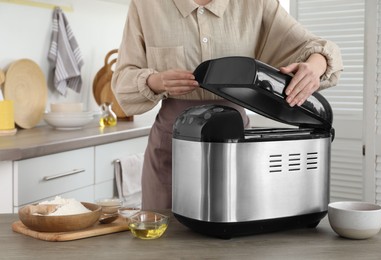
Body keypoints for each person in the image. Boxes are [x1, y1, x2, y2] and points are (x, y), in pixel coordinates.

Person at [111, 0, 343, 210]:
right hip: (171, 146)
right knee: (165, 246)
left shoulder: (257, 4)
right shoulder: (145, 5)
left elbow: (315, 46)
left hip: (236, 145)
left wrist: (315, 65)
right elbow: (122, 80)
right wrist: (156, 81)